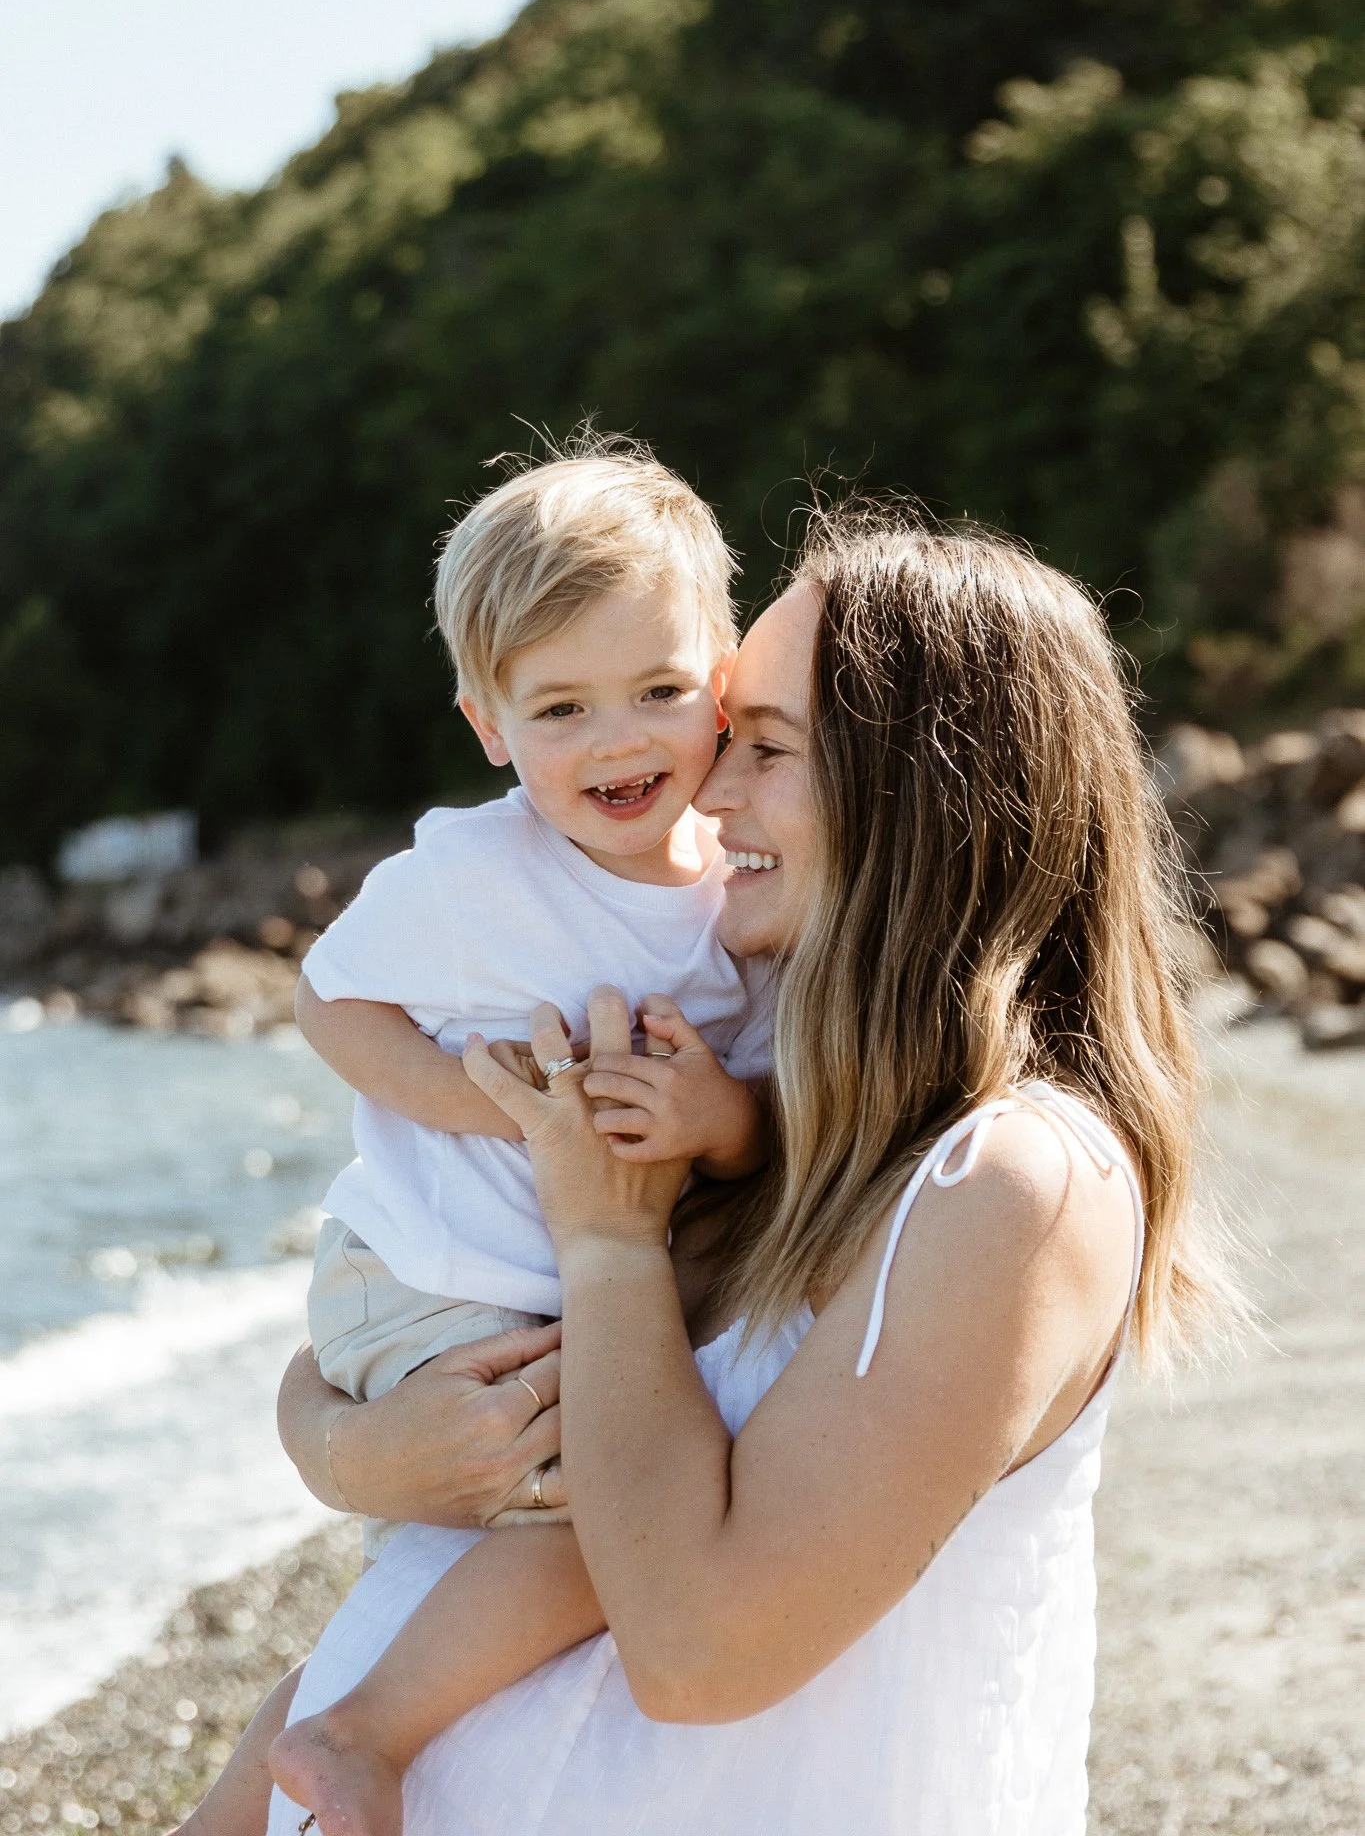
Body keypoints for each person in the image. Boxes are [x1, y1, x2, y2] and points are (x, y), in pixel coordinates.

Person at [261, 510, 1234, 1835]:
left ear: (916, 790)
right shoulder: (768, 1055)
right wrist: (349, 1450)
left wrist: (606, 1244)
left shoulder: (1011, 1177)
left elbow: (700, 1647)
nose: (705, 789)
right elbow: (423, 1353)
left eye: (758, 743)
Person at [188, 436, 775, 1836]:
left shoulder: (744, 890)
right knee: (615, 1518)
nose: (620, 741)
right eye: (561, 708)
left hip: (548, 1281)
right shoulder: (474, 869)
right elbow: (328, 995)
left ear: (728, 675)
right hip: (422, 1271)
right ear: (489, 725)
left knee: (460, 1574)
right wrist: (484, 1102)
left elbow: (767, 1127)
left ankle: (261, 1782)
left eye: (658, 690)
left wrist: (725, 1124)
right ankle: (362, 1743)